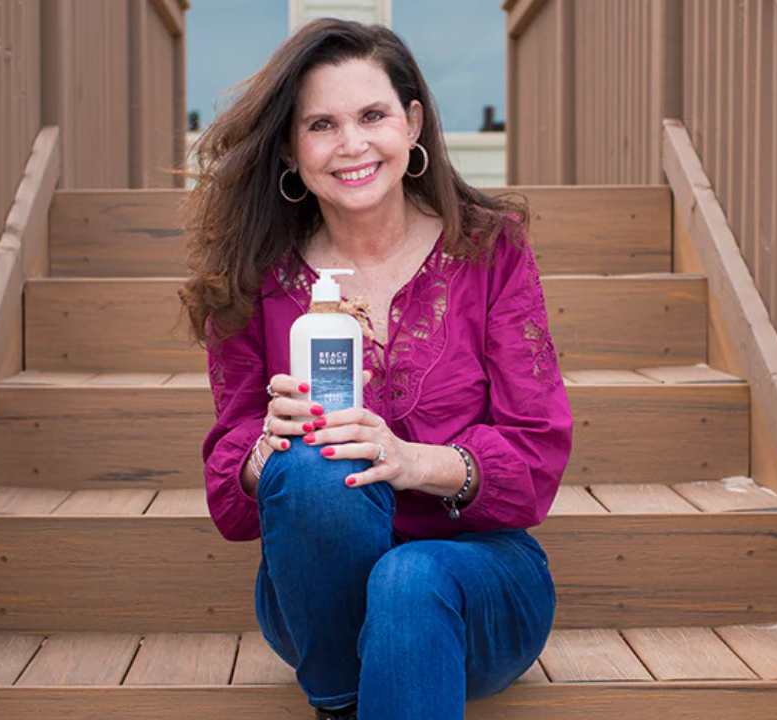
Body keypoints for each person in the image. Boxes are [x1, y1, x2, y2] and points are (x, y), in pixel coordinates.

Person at [179, 18, 573, 720]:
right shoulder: (253, 279)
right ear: (291, 150)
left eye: (372, 115)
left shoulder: (491, 251)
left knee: (409, 576)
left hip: (478, 582)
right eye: (322, 125)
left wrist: (409, 460)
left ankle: (341, 709)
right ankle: (340, 695)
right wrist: (265, 449)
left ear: (413, 122)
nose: (352, 144)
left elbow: (536, 458)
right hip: (314, 602)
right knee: (306, 464)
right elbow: (231, 498)